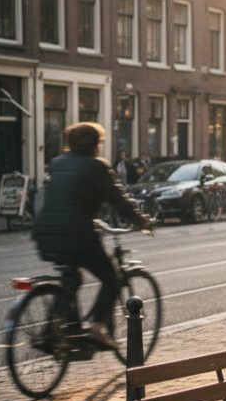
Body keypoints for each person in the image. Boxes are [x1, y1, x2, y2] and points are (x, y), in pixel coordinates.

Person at [32, 123, 149, 348]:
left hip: (44, 233)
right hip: (77, 235)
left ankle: (57, 329)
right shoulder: (97, 166)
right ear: (96, 144)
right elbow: (119, 202)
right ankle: (96, 327)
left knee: (72, 277)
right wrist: (140, 220)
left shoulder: (57, 163)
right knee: (111, 277)